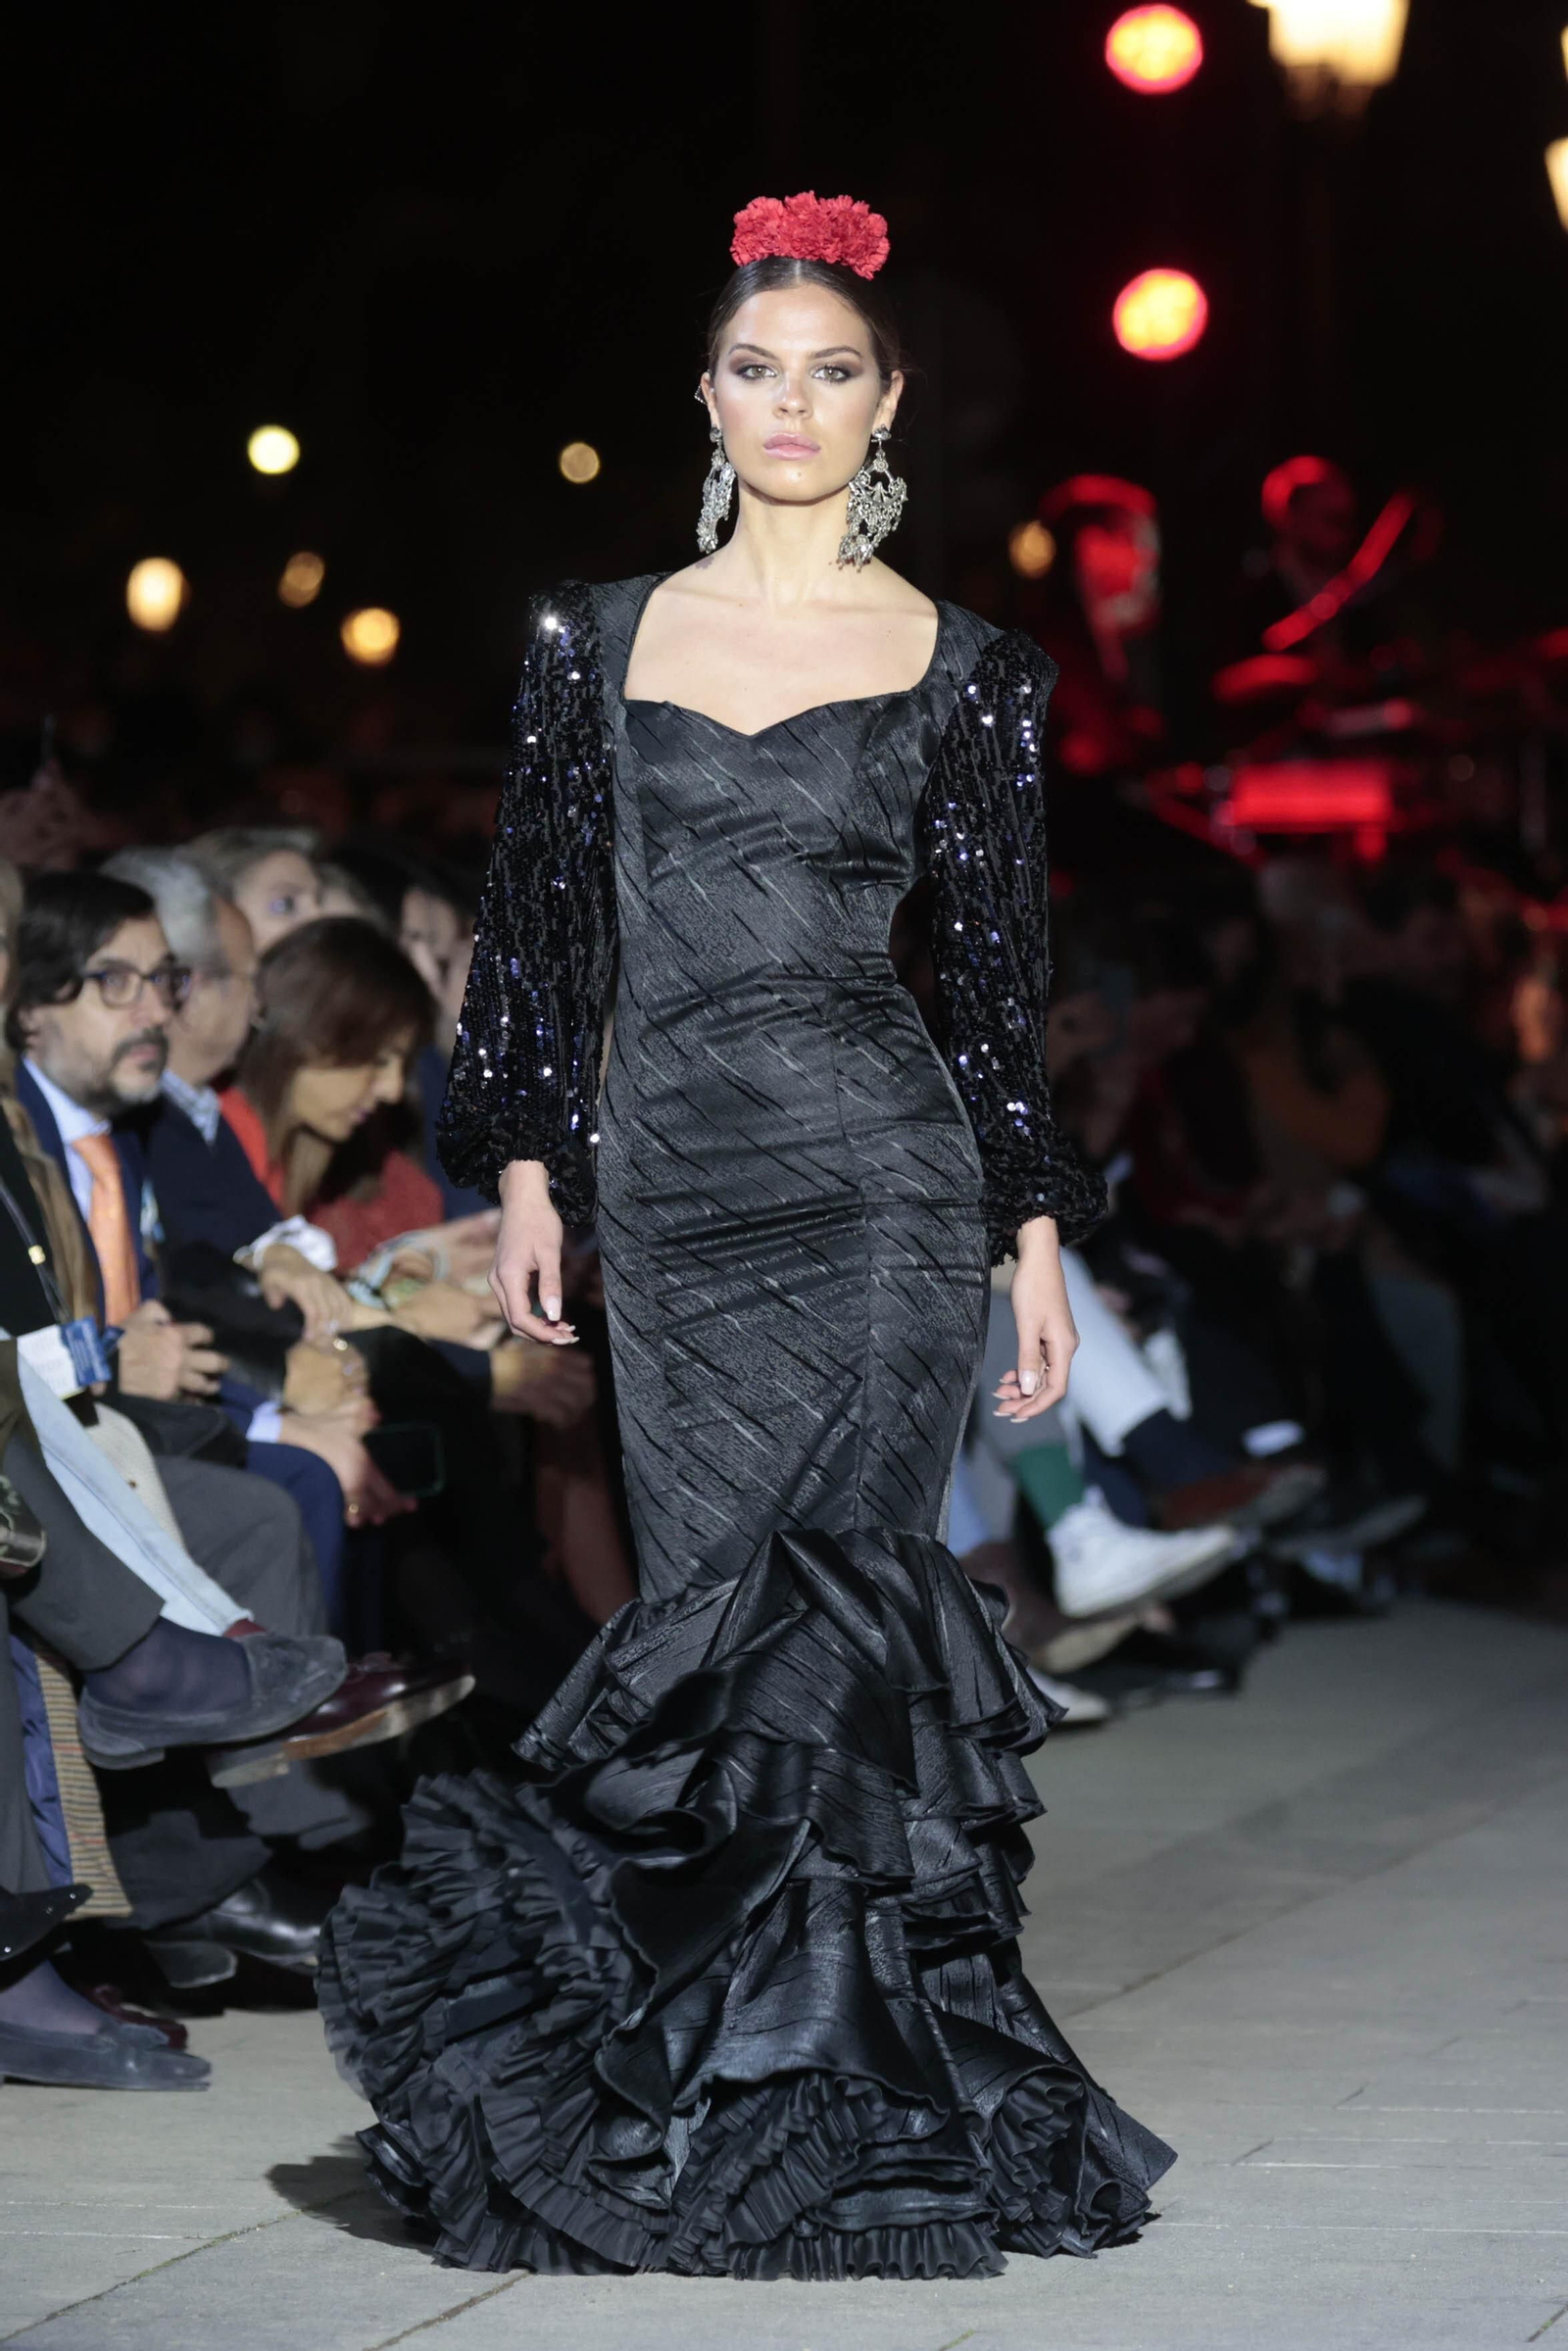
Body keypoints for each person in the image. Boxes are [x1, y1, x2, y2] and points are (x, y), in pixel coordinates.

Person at [320, 193, 1173, 2278]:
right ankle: (719, 2080)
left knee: (840, 1622)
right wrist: (525, 1164)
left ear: (886, 405)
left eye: (832, 370)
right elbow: (534, 931)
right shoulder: (586, 636)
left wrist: (1027, 1240)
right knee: (707, 1626)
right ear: (703, 397)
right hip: (679, 1200)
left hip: (883, 1189)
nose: (790, 404)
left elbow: (990, 985)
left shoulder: (970, 669)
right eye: (753, 367)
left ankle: (859, 2109)